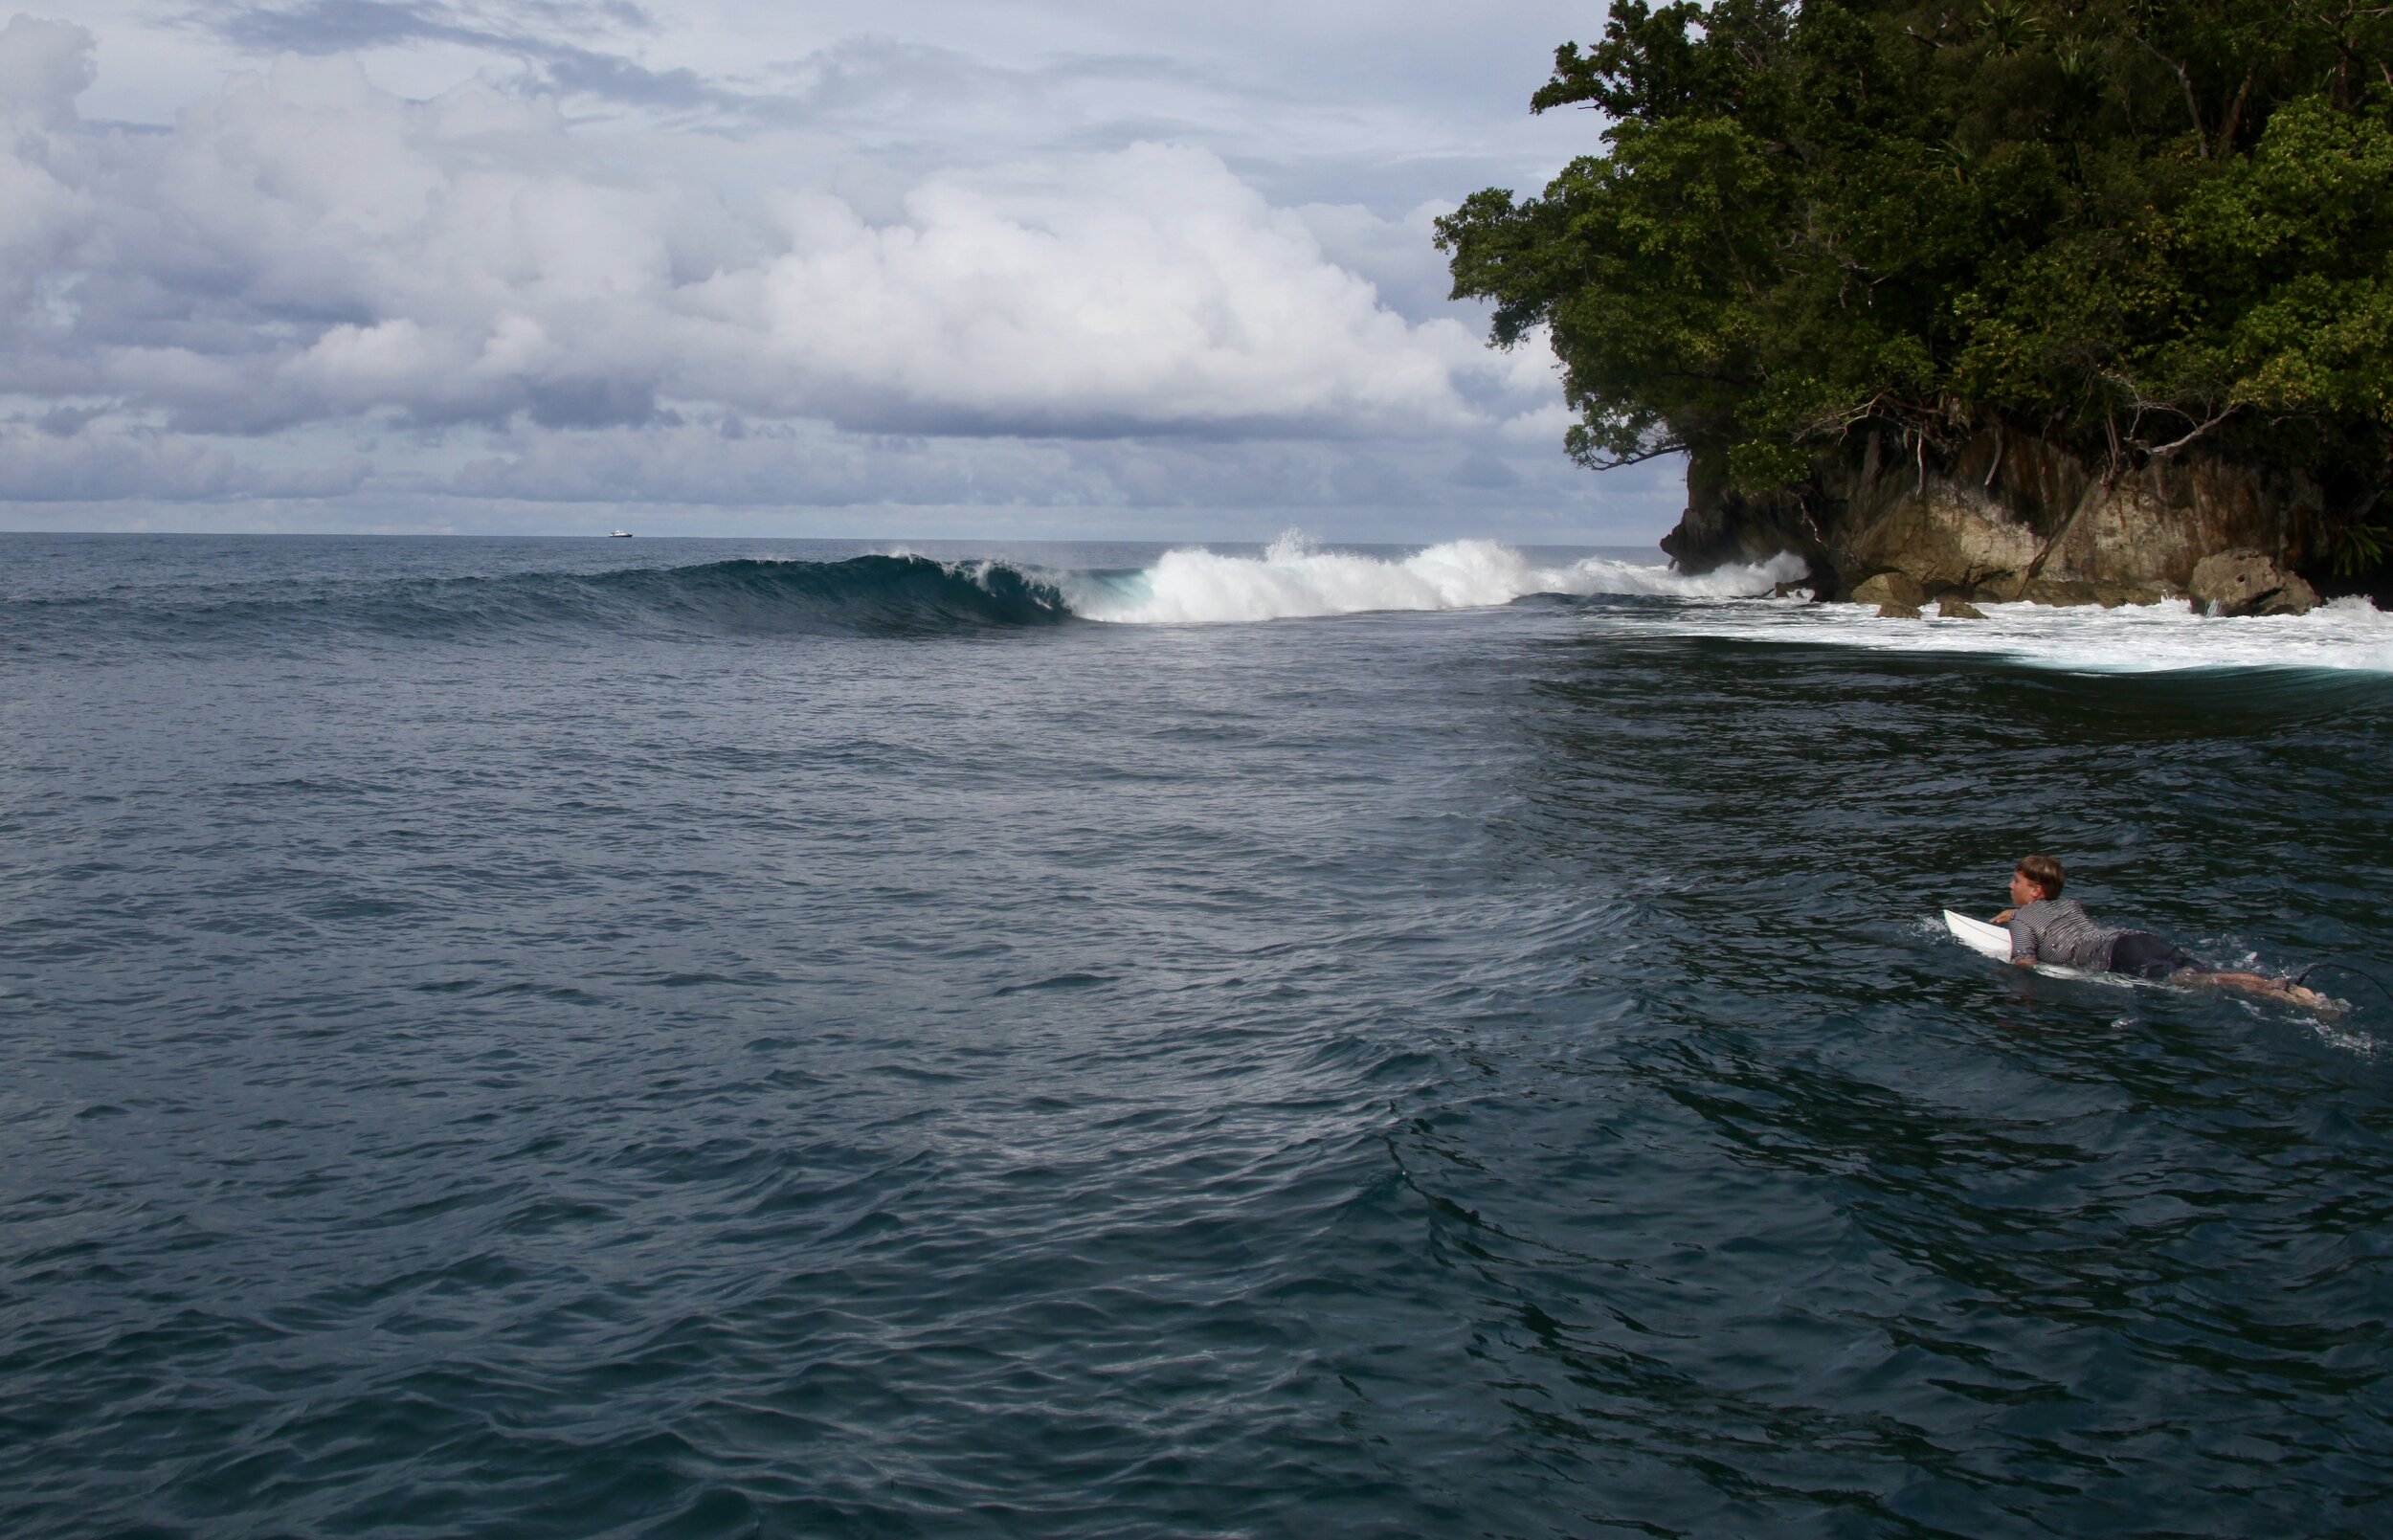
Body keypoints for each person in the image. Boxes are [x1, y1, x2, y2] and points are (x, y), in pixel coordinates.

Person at [1992, 855, 2331, 1008]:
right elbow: (2053, 912)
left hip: (2116, 956)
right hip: (2137, 939)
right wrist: (2017, 911)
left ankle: (2277, 993)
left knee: (2190, 982)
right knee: (2203, 971)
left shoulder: (2023, 920)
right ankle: (2280, 987)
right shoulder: (2072, 905)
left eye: (2016, 881)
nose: (2010, 885)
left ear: (2035, 890)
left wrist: (2020, 996)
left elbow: (2024, 960)